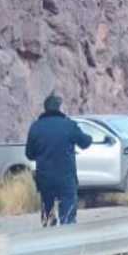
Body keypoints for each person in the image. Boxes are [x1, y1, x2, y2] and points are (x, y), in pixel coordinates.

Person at [25, 93, 93, 226]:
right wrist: (88, 136)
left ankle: (49, 236)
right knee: (68, 217)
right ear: (59, 108)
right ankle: (67, 240)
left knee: (47, 214)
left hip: (44, 178)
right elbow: (85, 143)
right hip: (66, 177)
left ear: (45, 109)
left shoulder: (35, 127)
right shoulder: (68, 125)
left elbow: (29, 154)